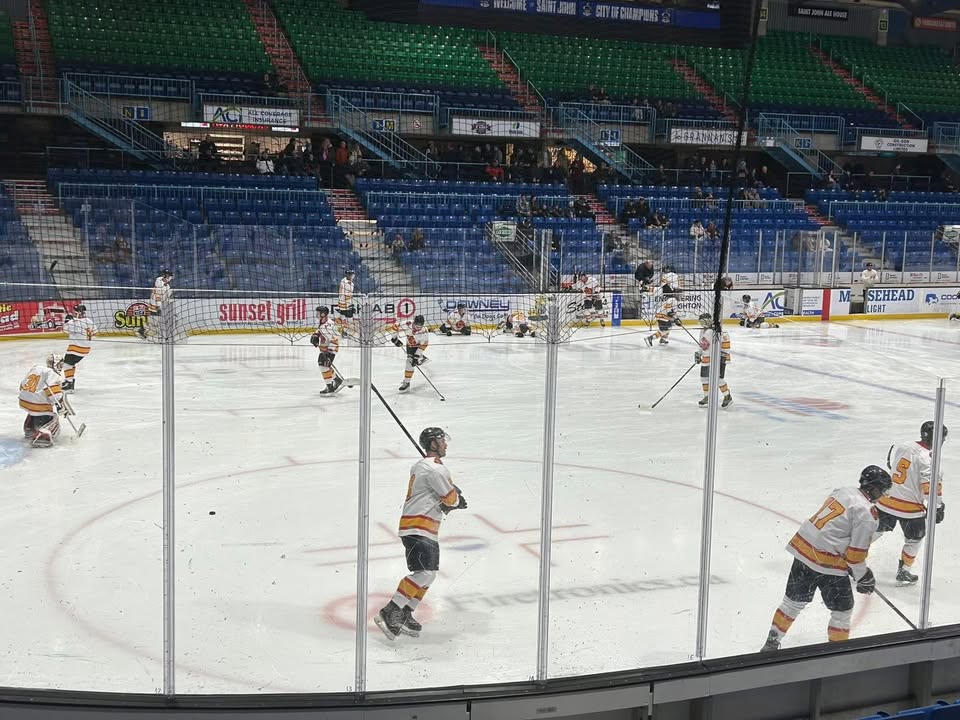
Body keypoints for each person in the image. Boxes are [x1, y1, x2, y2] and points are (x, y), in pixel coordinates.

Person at [761, 466, 891, 651]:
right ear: (875, 488)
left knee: (792, 602)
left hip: (804, 550)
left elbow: (834, 526)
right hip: (828, 563)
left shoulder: (843, 490)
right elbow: (855, 556)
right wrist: (863, 576)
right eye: (883, 490)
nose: (882, 495)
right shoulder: (867, 514)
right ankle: (837, 652)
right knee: (842, 611)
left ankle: (771, 642)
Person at [374, 427, 466, 640]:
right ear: (433, 443)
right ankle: (390, 612)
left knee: (429, 574)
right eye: (442, 441)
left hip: (424, 528)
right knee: (423, 573)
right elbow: (450, 499)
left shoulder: (424, 466)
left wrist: (451, 497)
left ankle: (405, 613)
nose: (445, 444)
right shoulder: (435, 470)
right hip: (418, 526)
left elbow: (438, 495)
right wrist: (456, 500)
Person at [874, 421, 948, 585]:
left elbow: (894, 466)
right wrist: (938, 506)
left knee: (876, 531)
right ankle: (904, 571)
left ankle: (850, 557)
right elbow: (930, 488)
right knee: (915, 539)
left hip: (886, 501)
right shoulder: (930, 460)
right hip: (909, 509)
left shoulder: (904, 446)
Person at [19, 354, 66, 448]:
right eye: (60, 365)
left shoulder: (36, 368)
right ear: (55, 364)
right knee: (53, 417)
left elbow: (22, 385)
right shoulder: (52, 374)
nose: (61, 367)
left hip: (24, 400)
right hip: (37, 404)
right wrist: (60, 404)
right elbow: (53, 390)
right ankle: (42, 436)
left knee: (34, 411)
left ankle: (30, 428)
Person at [695, 313, 732, 408]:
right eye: (701, 322)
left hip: (717, 358)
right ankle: (707, 397)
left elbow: (726, 343)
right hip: (706, 359)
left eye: (704, 321)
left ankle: (727, 396)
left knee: (718, 379)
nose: (702, 324)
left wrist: (723, 356)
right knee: (704, 378)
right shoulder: (703, 331)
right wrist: (699, 353)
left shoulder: (718, 330)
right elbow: (702, 344)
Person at [61, 304, 97, 393]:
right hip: (86, 348)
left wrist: (67, 321)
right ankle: (69, 381)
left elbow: (64, 330)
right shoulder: (89, 321)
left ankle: (69, 384)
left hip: (76, 348)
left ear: (78, 313)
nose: (73, 313)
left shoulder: (74, 323)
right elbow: (95, 332)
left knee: (66, 364)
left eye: (74, 312)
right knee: (70, 364)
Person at [310, 306, 343, 396]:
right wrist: (316, 334)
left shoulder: (327, 326)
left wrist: (327, 351)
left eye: (318, 313)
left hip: (330, 348)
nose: (316, 315)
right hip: (326, 347)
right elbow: (320, 329)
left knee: (323, 366)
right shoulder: (324, 321)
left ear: (323, 314)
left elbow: (335, 337)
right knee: (325, 366)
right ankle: (337, 380)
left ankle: (330, 387)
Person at [391, 315, 429, 393]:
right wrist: (394, 338)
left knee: (409, 362)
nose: (418, 328)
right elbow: (395, 326)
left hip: (418, 346)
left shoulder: (424, 330)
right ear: (414, 322)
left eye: (420, 326)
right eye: (416, 325)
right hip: (410, 345)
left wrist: (417, 355)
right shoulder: (407, 324)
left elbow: (424, 344)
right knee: (411, 361)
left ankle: (406, 382)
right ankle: (421, 359)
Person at [138, 269, 173, 339]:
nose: (170, 278)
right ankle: (143, 330)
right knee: (153, 321)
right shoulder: (158, 281)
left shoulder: (168, 287)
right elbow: (158, 295)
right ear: (164, 276)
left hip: (160, 305)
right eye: (168, 276)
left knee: (158, 321)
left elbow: (165, 297)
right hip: (154, 305)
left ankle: (144, 330)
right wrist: (159, 307)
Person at [336, 269, 356, 337]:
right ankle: (345, 332)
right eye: (352, 274)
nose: (353, 276)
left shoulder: (347, 281)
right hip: (344, 302)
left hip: (346, 302)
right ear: (349, 275)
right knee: (347, 318)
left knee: (345, 318)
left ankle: (344, 332)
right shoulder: (346, 283)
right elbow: (342, 294)